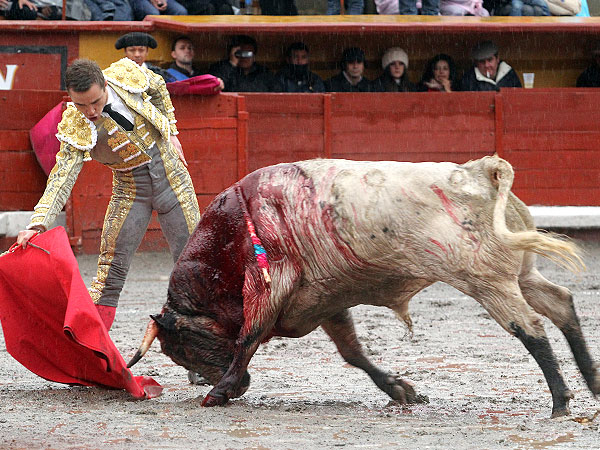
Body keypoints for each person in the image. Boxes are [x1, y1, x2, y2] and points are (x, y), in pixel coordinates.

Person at [16, 58, 200, 331]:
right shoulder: (74, 124)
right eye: (81, 104)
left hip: (172, 177)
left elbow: (159, 86)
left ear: (105, 84)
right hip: (130, 189)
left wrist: (171, 130)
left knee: (192, 264)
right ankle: (92, 350)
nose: (90, 111)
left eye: (96, 101)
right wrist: (37, 223)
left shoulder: (125, 75)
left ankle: (199, 354)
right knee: (109, 273)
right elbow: (61, 177)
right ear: (71, 98)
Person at [208, 35, 281, 92]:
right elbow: (214, 86)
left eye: (248, 54)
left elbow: (276, 94)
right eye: (240, 53)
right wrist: (232, 64)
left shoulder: (264, 73)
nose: (244, 57)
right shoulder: (220, 69)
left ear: (254, 56)